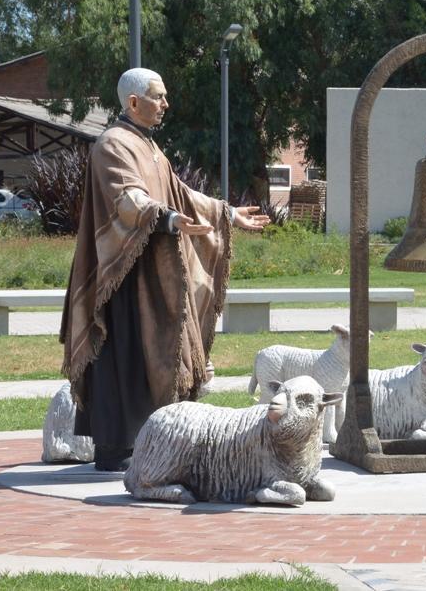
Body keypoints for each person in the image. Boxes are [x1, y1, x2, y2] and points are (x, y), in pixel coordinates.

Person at [61, 67, 270, 471]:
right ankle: (118, 447)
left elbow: (180, 193)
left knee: (157, 353)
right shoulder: (112, 145)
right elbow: (127, 199)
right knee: (126, 356)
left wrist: (226, 213)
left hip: (155, 271)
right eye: (159, 97)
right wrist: (170, 219)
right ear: (134, 102)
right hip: (121, 276)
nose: (166, 104)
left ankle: (157, 440)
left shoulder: (151, 148)